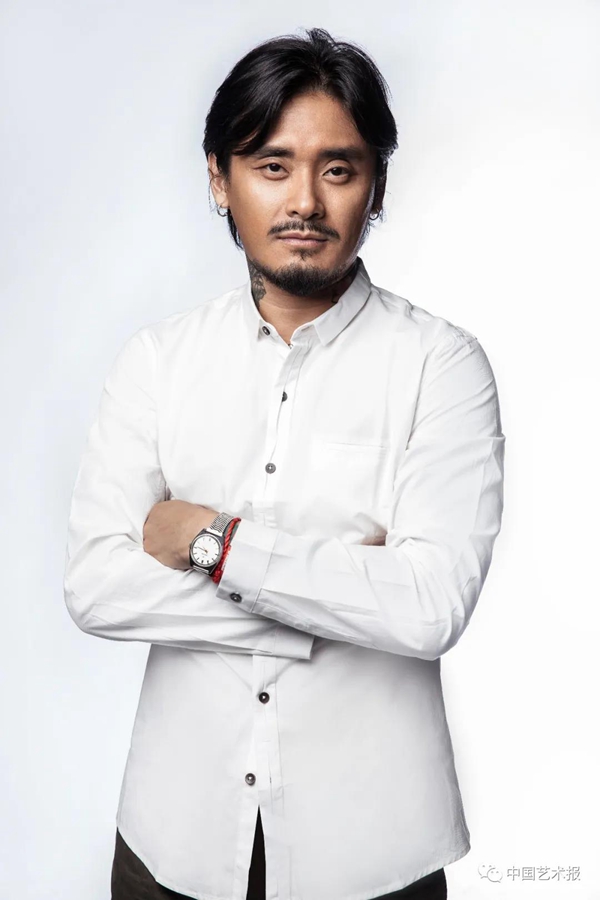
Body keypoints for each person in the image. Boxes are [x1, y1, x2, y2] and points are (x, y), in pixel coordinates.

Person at [63, 26, 505, 900]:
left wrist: (212, 542)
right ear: (219, 178)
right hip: (172, 842)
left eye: (337, 168)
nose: (304, 200)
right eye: (272, 165)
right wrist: (343, 596)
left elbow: (428, 607)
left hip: (375, 853)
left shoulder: (442, 366)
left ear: (376, 185)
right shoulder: (157, 361)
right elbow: (96, 587)